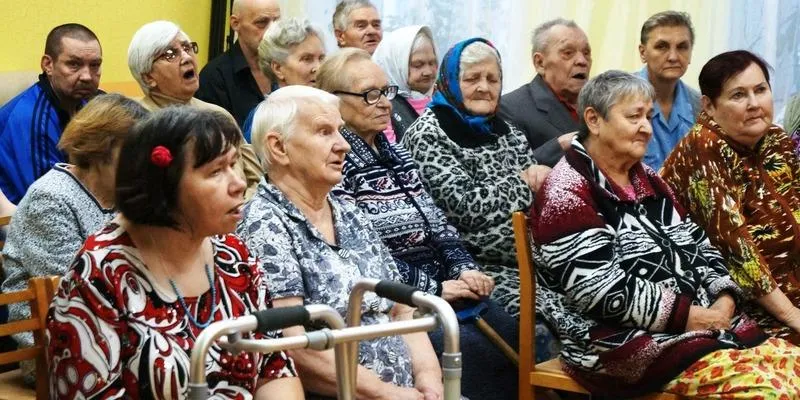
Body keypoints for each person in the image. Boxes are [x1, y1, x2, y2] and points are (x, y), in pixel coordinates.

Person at [531, 69, 800, 398]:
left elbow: (699, 243)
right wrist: (690, 317)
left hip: (706, 328)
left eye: (648, 116)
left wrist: (725, 298)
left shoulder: (646, 177)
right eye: (634, 117)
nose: (647, 127)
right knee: (770, 392)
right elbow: (599, 290)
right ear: (593, 120)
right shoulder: (567, 191)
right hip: (625, 346)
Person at [47, 106, 302, 399]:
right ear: (163, 187)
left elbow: (274, 366)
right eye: (216, 171)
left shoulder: (234, 256)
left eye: (235, 164)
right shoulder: (100, 273)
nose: (239, 183)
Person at [317, 48, 518, 399]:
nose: (385, 103)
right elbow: (363, 253)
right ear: (334, 101)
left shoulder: (396, 154)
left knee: (506, 325)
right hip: (398, 300)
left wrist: (464, 269)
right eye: (370, 94)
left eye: (386, 91)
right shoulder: (337, 165)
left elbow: (437, 222)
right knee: (468, 347)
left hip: (443, 287)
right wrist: (435, 288)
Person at [238, 85, 444, 400]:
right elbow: (292, 345)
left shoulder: (347, 209)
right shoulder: (264, 223)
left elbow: (400, 312)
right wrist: (385, 393)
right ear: (279, 147)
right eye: (324, 132)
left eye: (340, 131)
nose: (343, 145)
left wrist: (429, 381)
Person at [2, 93, 147, 385]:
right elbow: (74, 294)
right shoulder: (50, 199)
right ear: (100, 149)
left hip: (124, 332)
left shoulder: (124, 194)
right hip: (58, 348)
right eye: (134, 151)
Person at [402, 38, 551, 319]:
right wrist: (522, 183)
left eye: (493, 79)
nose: (484, 87)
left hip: (537, 263)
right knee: (541, 318)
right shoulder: (428, 135)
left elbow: (541, 198)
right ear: (451, 83)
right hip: (476, 270)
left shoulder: (507, 132)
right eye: (472, 79)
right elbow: (465, 207)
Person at [662, 50, 800, 345]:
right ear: (709, 106)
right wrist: (792, 315)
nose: (754, 104)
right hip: (739, 304)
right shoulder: (703, 148)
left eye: (760, 90)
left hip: (791, 288)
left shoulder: (776, 140)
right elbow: (737, 252)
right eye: (738, 95)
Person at [128, 20, 264, 198]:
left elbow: (256, 181)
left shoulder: (219, 116)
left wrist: (242, 209)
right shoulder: (136, 121)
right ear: (148, 77)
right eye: (170, 54)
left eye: (187, 47)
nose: (186, 57)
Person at [0, 23, 102, 204]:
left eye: (95, 65)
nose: (87, 76)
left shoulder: (95, 103)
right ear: (48, 65)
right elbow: (49, 203)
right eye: (74, 64)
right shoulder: (32, 118)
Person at [499, 19, 591, 167]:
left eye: (586, 53)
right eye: (568, 53)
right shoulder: (510, 108)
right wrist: (560, 145)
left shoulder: (600, 106)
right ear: (540, 63)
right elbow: (511, 170)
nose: (582, 61)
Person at [240, 17, 326, 141]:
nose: (318, 68)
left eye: (321, 58)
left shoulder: (330, 107)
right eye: (307, 59)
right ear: (278, 68)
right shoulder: (266, 119)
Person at [197, 0, 281, 126]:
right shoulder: (214, 77)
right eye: (262, 22)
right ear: (235, 24)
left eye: (277, 22)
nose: (272, 31)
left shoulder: (286, 67)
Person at [636, 11, 701, 171]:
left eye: (682, 47)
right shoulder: (618, 97)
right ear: (643, 53)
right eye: (662, 47)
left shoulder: (701, 106)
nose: (673, 57)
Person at [372, 25, 438, 143]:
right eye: (418, 65)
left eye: (432, 63)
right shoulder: (384, 105)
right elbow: (390, 149)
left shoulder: (439, 99)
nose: (428, 72)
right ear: (395, 66)